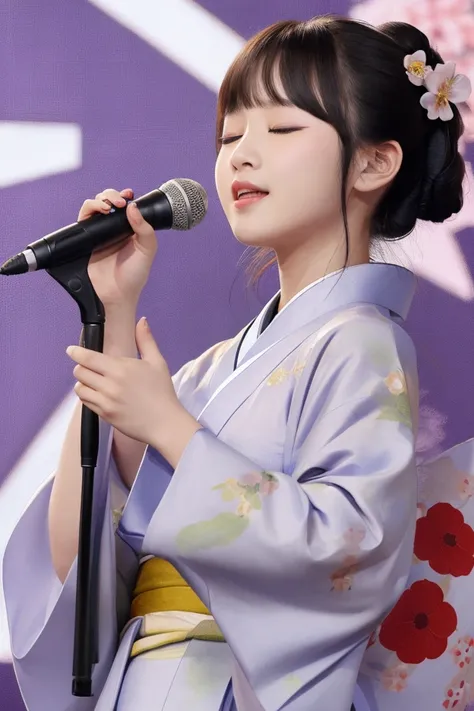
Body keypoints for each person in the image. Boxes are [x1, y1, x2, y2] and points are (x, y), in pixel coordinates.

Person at [3, 14, 474, 711]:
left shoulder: (363, 344)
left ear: (374, 162)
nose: (240, 155)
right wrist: (114, 314)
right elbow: (81, 559)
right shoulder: (202, 374)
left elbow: (347, 550)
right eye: (229, 135)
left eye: (282, 130)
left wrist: (168, 427)